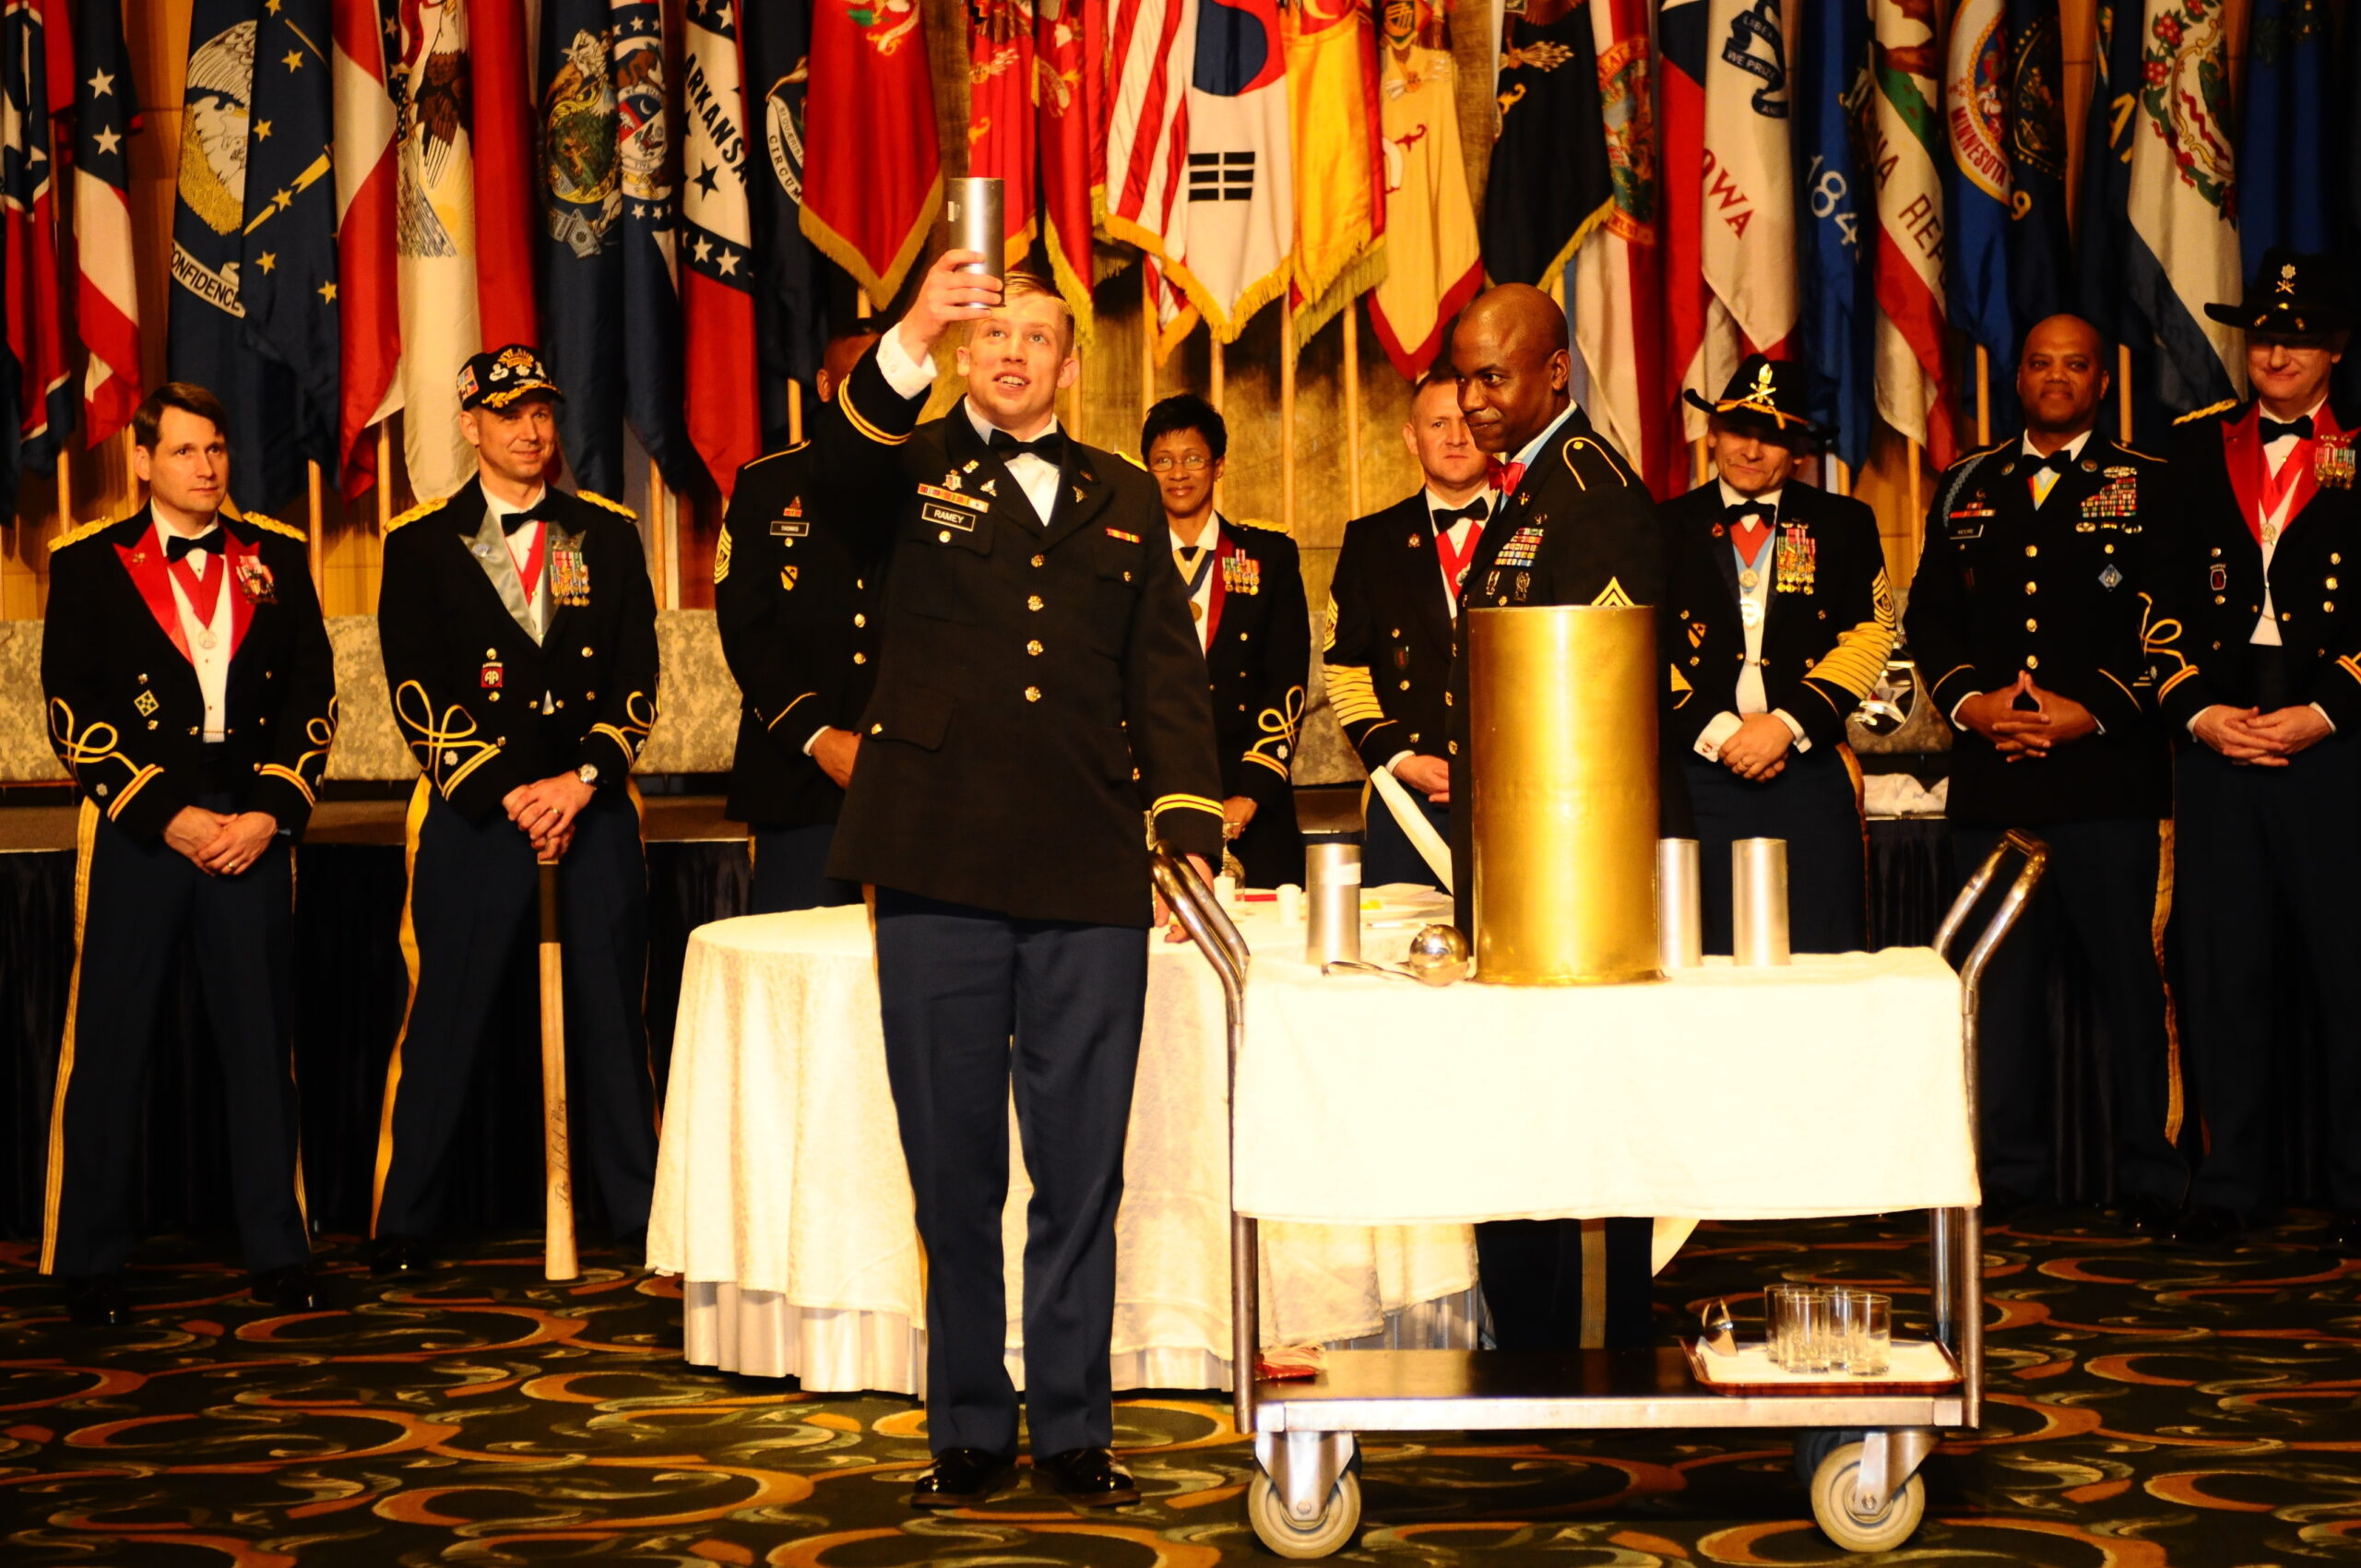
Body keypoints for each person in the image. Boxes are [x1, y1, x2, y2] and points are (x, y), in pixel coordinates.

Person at [816, 256, 1224, 1508]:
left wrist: (1187, 827)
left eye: (1035, 338)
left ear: (1069, 365)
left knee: (1081, 1166)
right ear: (961, 354)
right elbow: (835, 480)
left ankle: (1077, 1427)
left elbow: (1165, 674)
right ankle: (969, 1431)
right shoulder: (910, 464)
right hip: (934, 856)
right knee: (953, 1166)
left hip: (1087, 860)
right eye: (991, 335)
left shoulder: (1120, 493)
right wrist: (910, 326)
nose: (1010, 353)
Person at [38, 382, 336, 1324]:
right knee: (112, 1043)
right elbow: (71, 705)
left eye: (215, 449)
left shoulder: (278, 555)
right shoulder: (86, 562)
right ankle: (89, 1260)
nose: (206, 467)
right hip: (143, 824)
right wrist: (163, 812)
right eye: (183, 450)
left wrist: (270, 812)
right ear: (141, 460)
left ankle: (278, 1251)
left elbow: (313, 695)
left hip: (249, 821)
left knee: (261, 1044)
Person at [371, 346, 662, 1273]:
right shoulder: (419, 542)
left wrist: (580, 781)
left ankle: (641, 1214)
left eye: (541, 412)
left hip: (590, 809)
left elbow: (637, 677)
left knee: (613, 1020)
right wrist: (507, 790)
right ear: (470, 425)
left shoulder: (606, 533)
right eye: (508, 414)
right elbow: (415, 688)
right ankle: (409, 1220)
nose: (532, 431)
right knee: (446, 1017)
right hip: (478, 816)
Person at [1905, 314, 2185, 1234]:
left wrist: (2089, 708)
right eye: (2039, 363)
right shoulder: (1966, 483)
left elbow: (2175, 620)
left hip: (2108, 777)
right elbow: (1929, 616)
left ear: (2101, 382)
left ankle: (2149, 1175)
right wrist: (1971, 704)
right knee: (1997, 991)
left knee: (2128, 985)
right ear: (2017, 378)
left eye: (2075, 365)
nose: (2055, 377)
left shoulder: (2150, 484)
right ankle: (2007, 1176)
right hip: (1996, 780)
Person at [1444, 283, 1667, 1352]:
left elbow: (1600, 717)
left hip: (1569, 896)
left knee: (1578, 1125)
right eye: (1463, 379)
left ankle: (1585, 1358)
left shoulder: (1590, 494)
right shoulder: (1532, 490)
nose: (1473, 401)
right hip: (1522, 883)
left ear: (1554, 371)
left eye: (1493, 377)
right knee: (1517, 1119)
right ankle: (1528, 1344)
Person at [2147, 251, 2361, 1252]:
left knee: (2347, 972)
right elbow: (2151, 594)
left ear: (2335, 350)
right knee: (2222, 967)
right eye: (2264, 337)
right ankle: (2230, 1183)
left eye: (2298, 338)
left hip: (2336, 739)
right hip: (2220, 733)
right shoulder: (2192, 446)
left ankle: (2354, 1187)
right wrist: (2196, 708)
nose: (2275, 354)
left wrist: (2329, 709)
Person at [1663, 356, 1893, 954]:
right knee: (1701, 955)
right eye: (1738, 431)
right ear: (1712, 432)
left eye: (1771, 438)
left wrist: (1785, 726)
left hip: (1808, 774)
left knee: (1822, 951)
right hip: (1696, 776)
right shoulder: (1661, 527)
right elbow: (1641, 648)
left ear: (1798, 452)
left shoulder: (1844, 523)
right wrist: (1722, 734)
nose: (1750, 450)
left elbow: (1871, 633)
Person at [717, 329, 884, 913]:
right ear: (825, 386)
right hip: (798, 772)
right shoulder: (767, 483)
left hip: (909, 778)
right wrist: (818, 737)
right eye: (857, 379)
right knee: (798, 951)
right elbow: (746, 628)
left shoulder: (932, 479)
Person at [1325, 373, 1496, 888]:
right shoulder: (1370, 541)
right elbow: (1346, 671)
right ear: (1411, 438)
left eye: (1468, 422)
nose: (1456, 437)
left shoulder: (1537, 527)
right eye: (1438, 424)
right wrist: (1402, 761)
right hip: (1408, 802)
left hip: (1518, 792)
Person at [1143, 393, 1308, 888]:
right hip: (1149, 796)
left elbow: (1286, 679)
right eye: (1163, 461)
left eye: (1193, 459)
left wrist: (1253, 791)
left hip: (1247, 797)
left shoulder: (1268, 555)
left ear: (1218, 466)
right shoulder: (1126, 558)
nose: (1178, 473)